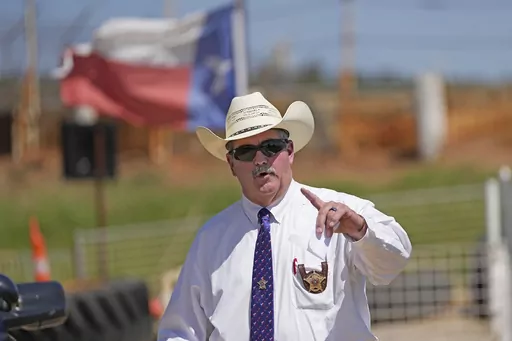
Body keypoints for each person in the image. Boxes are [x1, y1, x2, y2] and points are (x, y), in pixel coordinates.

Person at [157, 92, 412, 341]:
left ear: (289, 151)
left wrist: (360, 231)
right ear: (231, 163)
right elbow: (180, 330)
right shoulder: (211, 239)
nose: (260, 159)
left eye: (271, 147)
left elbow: (394, 261)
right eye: (246, 151)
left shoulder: (341, 213)